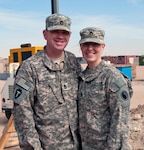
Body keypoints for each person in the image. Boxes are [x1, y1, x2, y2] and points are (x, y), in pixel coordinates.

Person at [12, 13, 82, 150]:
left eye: (65, 32)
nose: (60, 36)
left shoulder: (73, 62)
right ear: (45, 34)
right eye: (55, 31)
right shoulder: (30, 67)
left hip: (78, 145)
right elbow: (22, 116)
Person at [77, 27, 133, 150]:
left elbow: (120, 122)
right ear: (81, 47)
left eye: (95, 44)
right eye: (86, 44)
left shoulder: (112, 77)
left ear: (103, 47)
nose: (90, 48)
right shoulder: (82, 77)